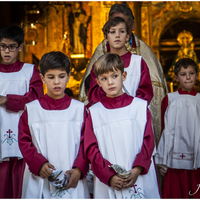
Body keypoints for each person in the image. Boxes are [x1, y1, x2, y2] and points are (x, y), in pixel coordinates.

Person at [79, 3, 168, 146]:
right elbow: (92, 92)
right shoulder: (98, 61)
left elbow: (148, 91)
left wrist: (130, 110)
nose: (117, 35)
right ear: (106, 34)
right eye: (112, 30)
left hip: (134, 121)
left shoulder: (140, 60)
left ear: (130, 29)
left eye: (122, 29)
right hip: (107, 119)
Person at [84, 53, 160, 199]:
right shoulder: (94, 113)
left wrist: (138, 168)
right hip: (108, 180)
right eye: (104, 79)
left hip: (139, 175)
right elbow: (91, 148)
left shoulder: (140, 107)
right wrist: (108, 175)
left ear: (123, 76)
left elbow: (149, 141)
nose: (110, 82)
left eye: (114, 76)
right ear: (98, 82)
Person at [18, 51, 89, 198]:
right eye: (51, 77)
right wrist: (38, 163)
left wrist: (79, 168)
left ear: (68, 76)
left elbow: (86, 142)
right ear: (42, 78)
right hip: (40, 176)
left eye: (61, 76)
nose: (57, 82)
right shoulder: (32, 110)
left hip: (72, 174)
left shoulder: (79, 109)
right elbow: (24, 141)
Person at [0, 25, 44, 198]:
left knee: (22, 189)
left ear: (20, 47)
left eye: (12, 47)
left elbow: (37, 99)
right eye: (3, 46)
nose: (7, 51)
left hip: (23, 139)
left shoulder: (30, 70)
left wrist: (7, 100)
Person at [155, 58, 200, 198]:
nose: (188, 77)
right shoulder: (169, 99)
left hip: (196, 160)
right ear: (175, 78)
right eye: (183, 74)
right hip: (172, 161)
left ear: (197, 75)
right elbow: (164, 129)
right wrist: (162, 159)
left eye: (191, 73)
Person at [88, 16, 153, 107]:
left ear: (127, 36)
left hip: (133, 114)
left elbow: (146, 92)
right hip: (107, 114)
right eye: (113, 32)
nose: (117, 35)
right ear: (105, 37)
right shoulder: (99, 65)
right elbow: (94, 95)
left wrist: (132, 108)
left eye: (122, 31)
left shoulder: (138, 62)